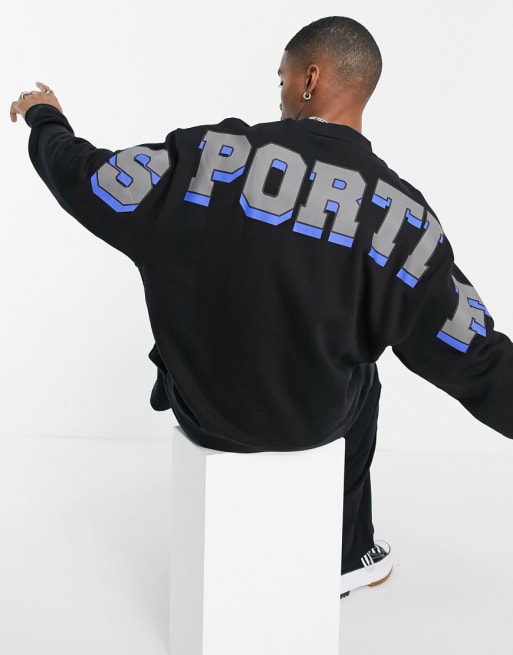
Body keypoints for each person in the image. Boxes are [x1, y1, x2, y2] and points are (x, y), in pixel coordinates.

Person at [10, 16, 513, 599]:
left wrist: (46, 117)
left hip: (205, 413)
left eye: (282, 79)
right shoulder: (402, 214)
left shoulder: (207, 155)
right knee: (365, 376)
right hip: (314, 423)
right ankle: (348, 554)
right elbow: (474, 355)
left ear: (310, 78)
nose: (279, 94)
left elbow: (87, 178)